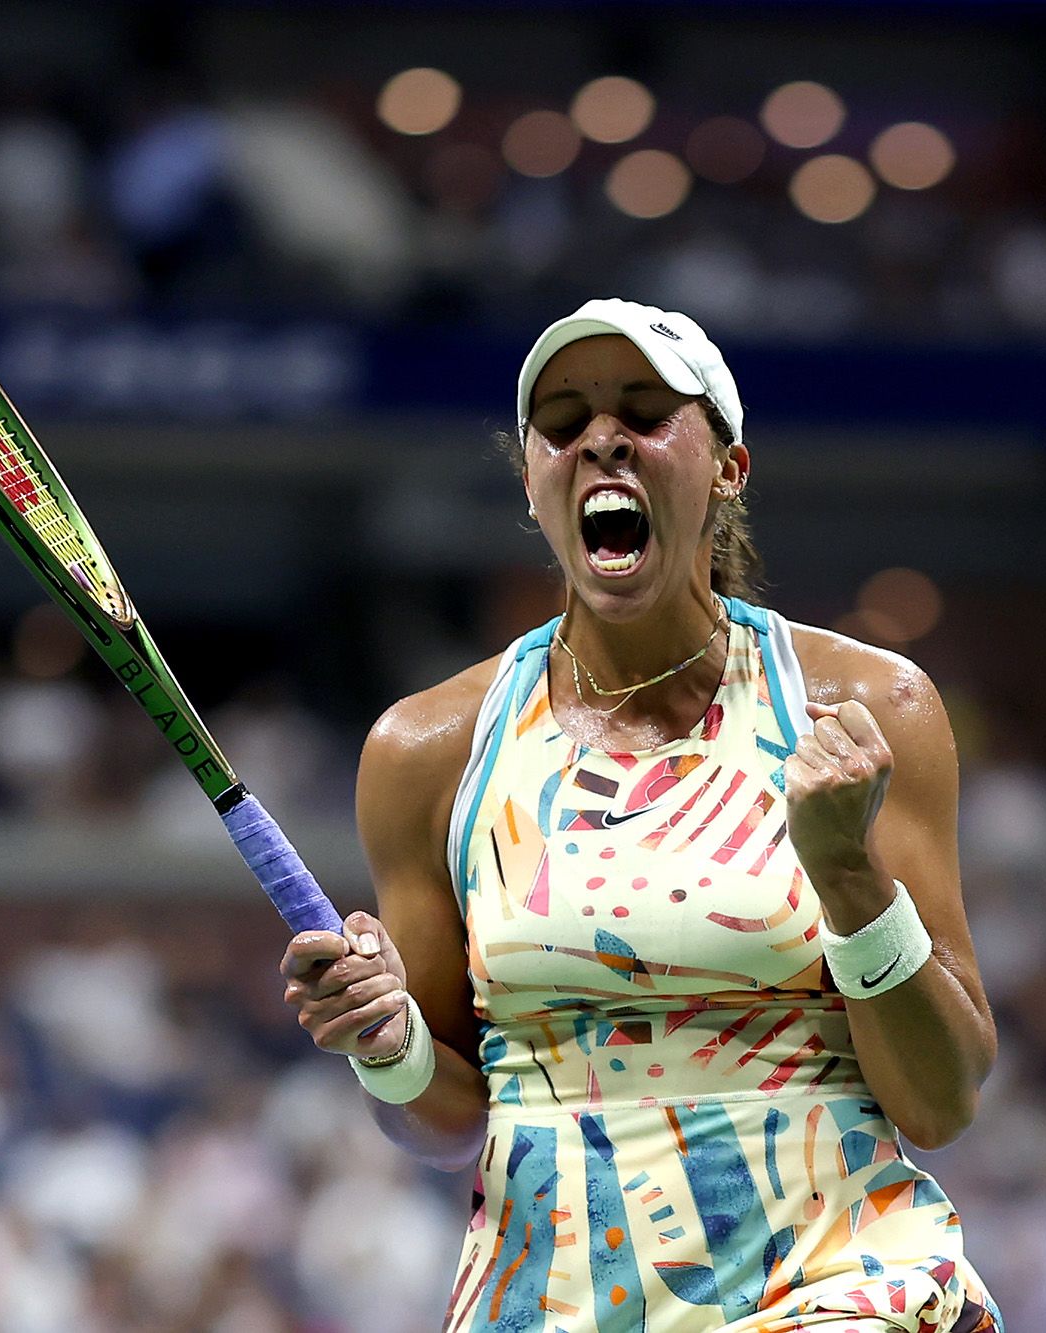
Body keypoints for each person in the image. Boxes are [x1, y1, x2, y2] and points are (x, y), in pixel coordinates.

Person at [281, 299, 1002, 1332]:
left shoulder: (861, 706)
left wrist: (844, 872)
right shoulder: (427, 749)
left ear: (727, 469)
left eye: (644, 411)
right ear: (532, 483)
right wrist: (383, 1041)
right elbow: (447, 1123)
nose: (600, 438)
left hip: (838, 1288)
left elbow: (939, 1101)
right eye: (562, 422)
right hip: (551, 1299)